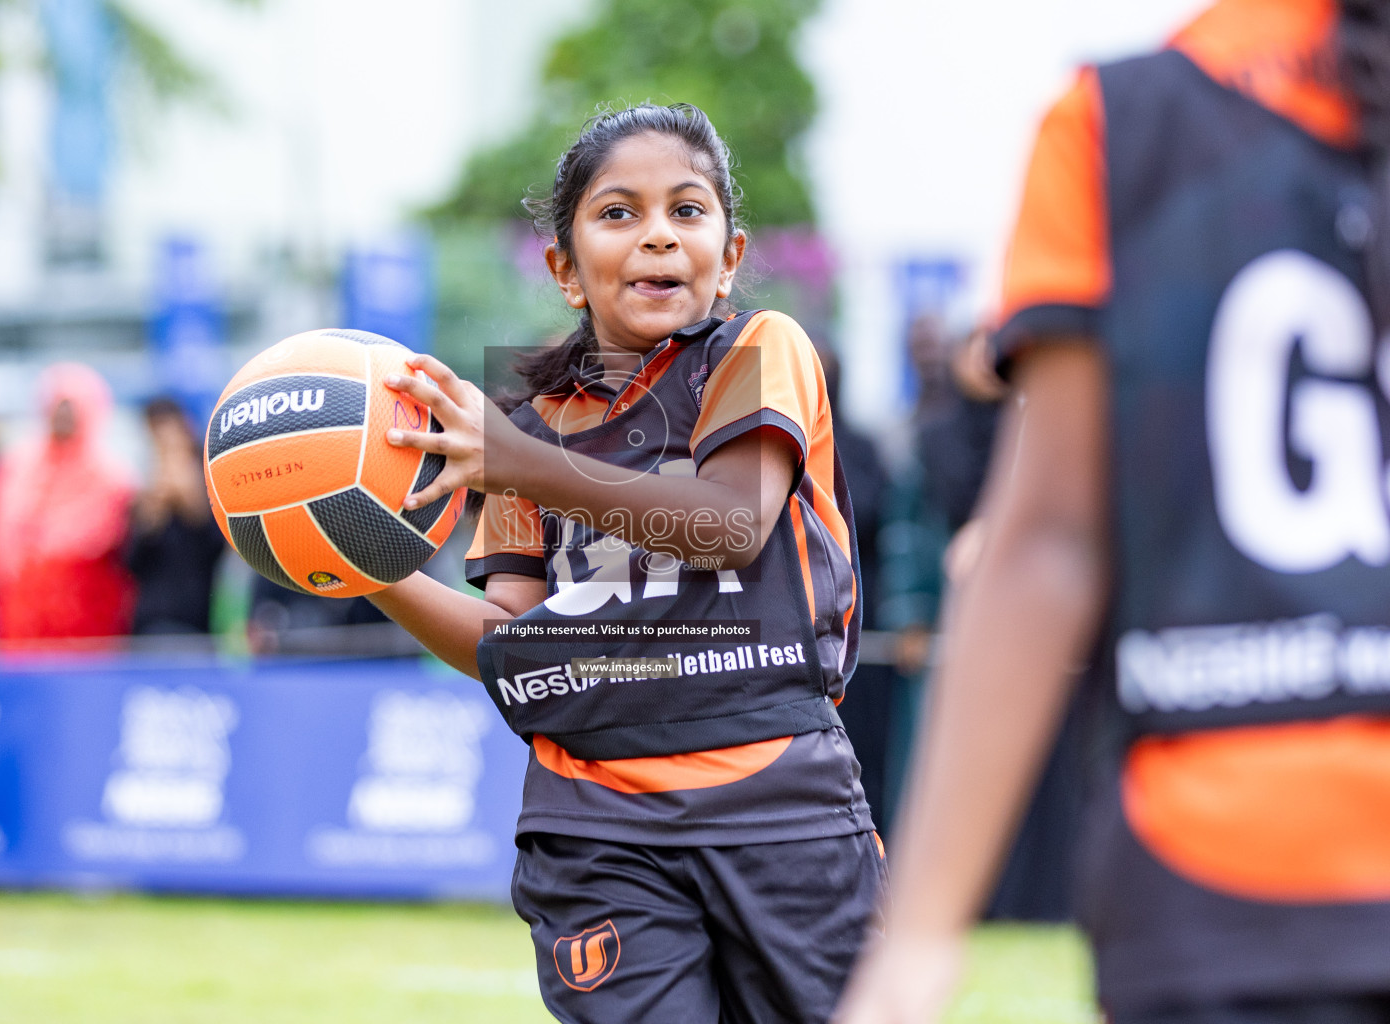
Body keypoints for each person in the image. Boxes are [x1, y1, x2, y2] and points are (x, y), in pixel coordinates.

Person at [837, 0, 1390, 1022]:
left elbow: (1048, 538)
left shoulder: (1123, 119)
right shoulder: (1123, 120)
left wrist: (915, 947)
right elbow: (1047, 536)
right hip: (1229, 876)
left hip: (1222, 868)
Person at [365, 103, 882, 1023]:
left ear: (729, 257)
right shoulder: (530, 423)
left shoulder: (763, 350)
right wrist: (368, 567)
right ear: (564, 269)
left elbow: (730, 523)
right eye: (618, 214)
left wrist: (514, 459)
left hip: (783, 806)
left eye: (688, 211)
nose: (657, 236)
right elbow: (507, 638)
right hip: (595, 823)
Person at [0, 362, 136, 646]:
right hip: (18, 622)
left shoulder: (110, 479)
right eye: (57, 405)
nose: (63, 416)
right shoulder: (16, 468)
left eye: (71, 407)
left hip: (86, 627)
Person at [125, 397, 226, 635]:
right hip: (147, 623)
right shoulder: (145, 492)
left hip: (197, 623)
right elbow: (131, 564)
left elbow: (216, 548)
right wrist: (151, 517)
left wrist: (192, 502)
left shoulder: (211, 486)